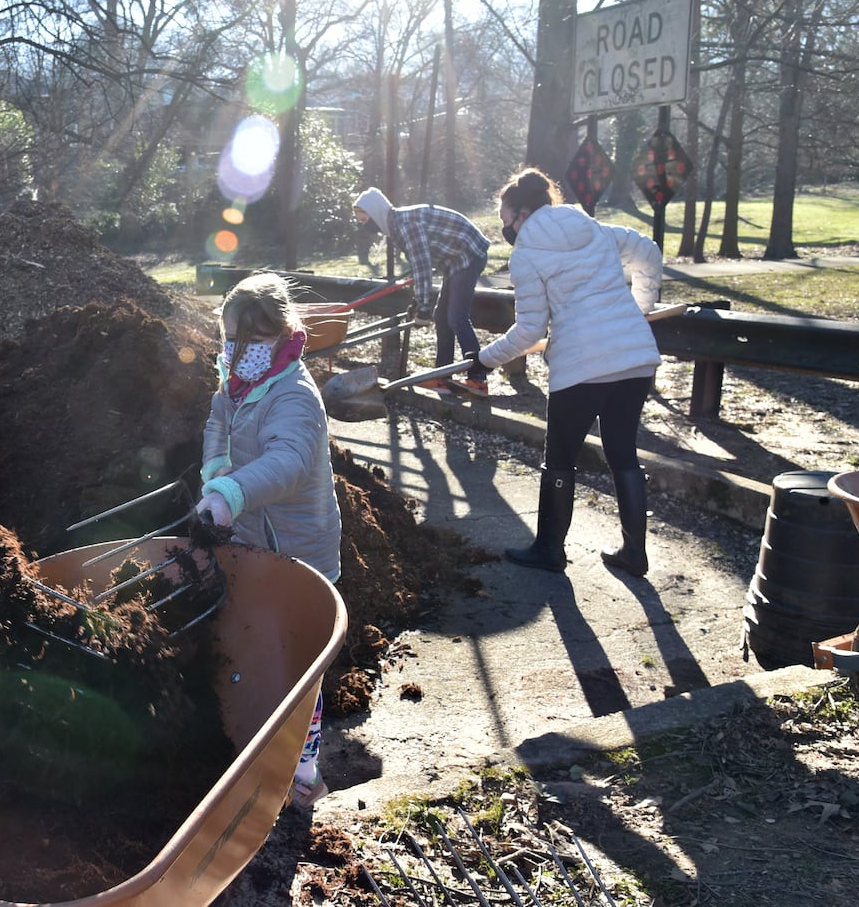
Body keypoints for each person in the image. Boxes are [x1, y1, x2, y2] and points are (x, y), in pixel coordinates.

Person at [195, 272, 342, 809]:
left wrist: (231, 492)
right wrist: (216, 471)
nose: (236, 353)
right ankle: (256, 743)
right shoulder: (237, 382)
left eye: (250, 343)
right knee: (256, 643)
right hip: (256, 543)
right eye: (229, 340)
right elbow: (217, 420)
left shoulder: (294, 395)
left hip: (300, 552)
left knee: (295, 666)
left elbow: (289, 463)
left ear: (281, 336)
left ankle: (304, 771)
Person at [475, 167, 663, 577]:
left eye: (508, 223)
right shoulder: (593, 228)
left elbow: (529, 330)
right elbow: (649, 252)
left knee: (560, 458)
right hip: (634, 360)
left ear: (523, 214)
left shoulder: (526, 254)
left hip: (581, 368)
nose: (508, 232)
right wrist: (640, 310)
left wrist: (484, 359)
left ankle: (549, 550)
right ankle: (635, 553)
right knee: (622, 453)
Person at [352, 188, 492, 397]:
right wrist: (419, 304)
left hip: (467, 253)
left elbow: (423, 267)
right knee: (441, 318)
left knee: (456, 317)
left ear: (376, 213)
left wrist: (423, 307)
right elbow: (423, 262)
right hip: (454, 260)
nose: (366, 225)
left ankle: (477, 379)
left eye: (365, 219)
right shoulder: (397, 224)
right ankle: (443, 377)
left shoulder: (404, 225)